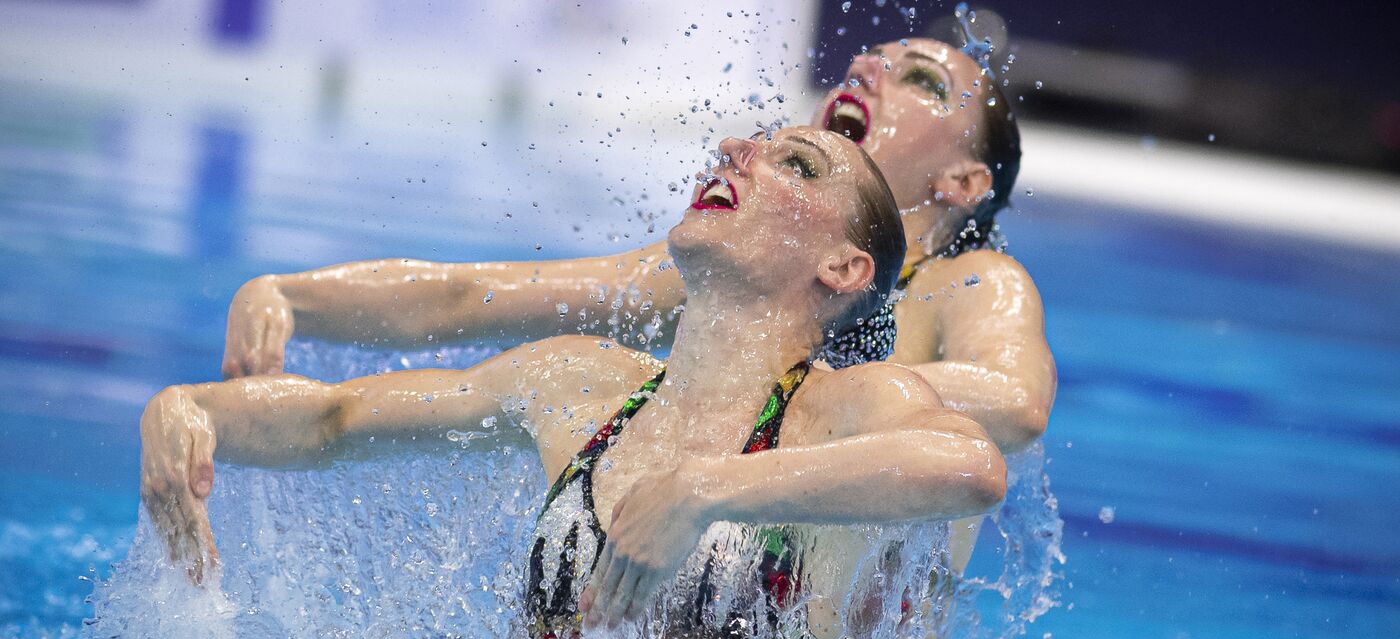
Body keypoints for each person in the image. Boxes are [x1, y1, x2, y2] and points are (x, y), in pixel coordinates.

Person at [141, 129, 1006, 639]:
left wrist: (705, 490)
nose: (736, 150)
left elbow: (970, 465)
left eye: (795, 163)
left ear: (844, 268)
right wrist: (183, 412)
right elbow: (335, 416)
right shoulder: (582, 383)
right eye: (749, 142)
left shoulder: (848, 410)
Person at [220, 38, 1055, 468]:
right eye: (874, 59)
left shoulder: (970, 282)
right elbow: (473, 295)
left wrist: (792, 387)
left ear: (962, 181)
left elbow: (1015, 404)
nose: (869, 69)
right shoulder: (745, 276)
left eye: (921, 83)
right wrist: (292, 297)